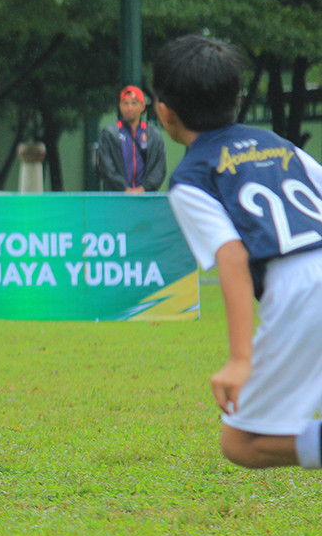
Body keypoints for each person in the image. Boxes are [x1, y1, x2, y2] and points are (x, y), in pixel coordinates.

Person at [154, 34, 322, 474]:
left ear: (164, 113)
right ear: (237, 97)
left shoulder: (191, 178)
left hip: (299, 291)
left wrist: (240, 360)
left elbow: (231, 255)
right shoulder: (281, 145)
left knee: (242, 443)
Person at [97, 85, 167, 192]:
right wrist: (124, 188)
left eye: (134, 103)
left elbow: (159, 168)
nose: (129, 107)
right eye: (125, 103)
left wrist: (144, 188)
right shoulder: (110, 134)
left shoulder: (153, 135)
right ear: (120, 106)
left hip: (145, 199)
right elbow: (106, 167)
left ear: (142, 106)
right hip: (117, 198)